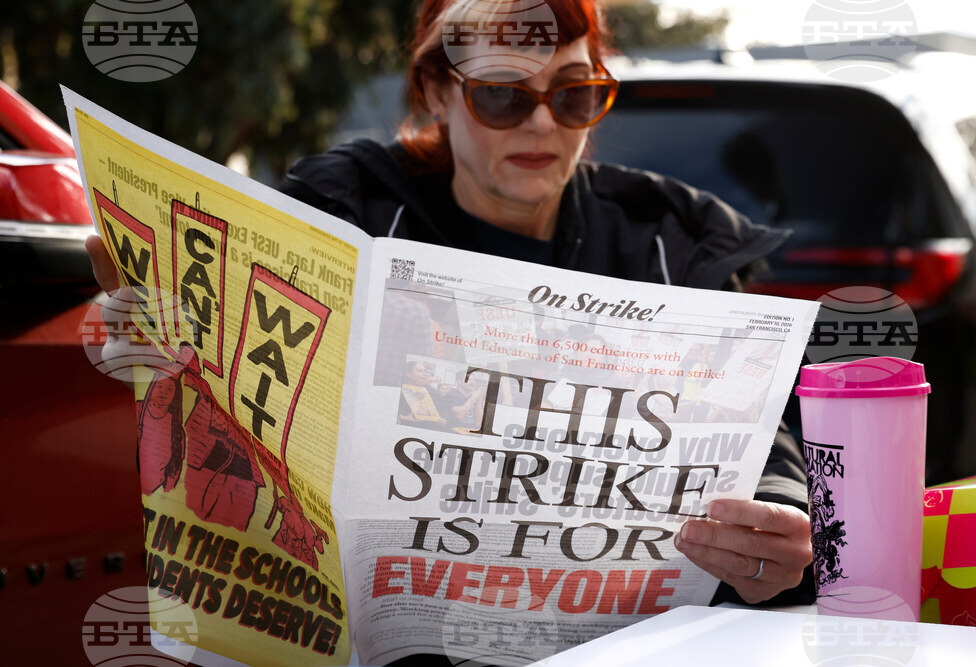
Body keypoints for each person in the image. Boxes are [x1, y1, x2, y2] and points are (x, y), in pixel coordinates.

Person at [87, 0, 813, 608]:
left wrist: (780, 519)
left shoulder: (669, 240)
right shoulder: (344, 217)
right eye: (501, 93)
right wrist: (167, 356)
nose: (542, 125)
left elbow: (761, 440)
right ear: (436, 91)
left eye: (573, 93)